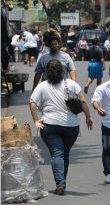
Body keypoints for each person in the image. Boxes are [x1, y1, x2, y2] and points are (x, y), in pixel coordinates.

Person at [29, 60, 93, 195]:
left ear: (47, 73)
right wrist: (88, 117)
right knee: (65, 153)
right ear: (63, 71)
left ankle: (60, 184)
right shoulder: (71, 84)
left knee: (57, 154)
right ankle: (61, 182)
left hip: (49, 125)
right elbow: (83, 101)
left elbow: (32, 103)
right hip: (71, 127)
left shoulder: (42, 86)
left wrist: (36, 121)